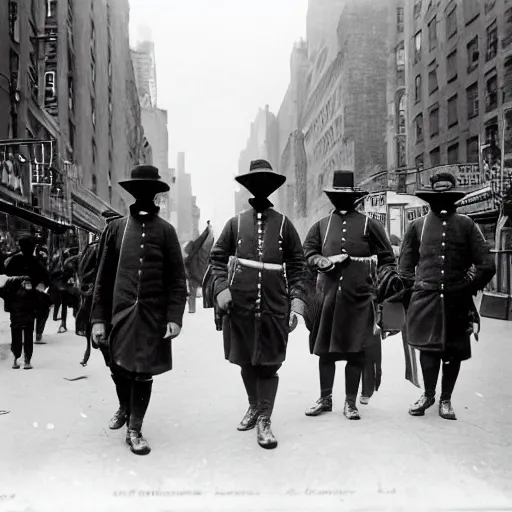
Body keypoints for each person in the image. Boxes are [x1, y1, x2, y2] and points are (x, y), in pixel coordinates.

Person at [207, 159, 306, 450]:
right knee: (246, 360)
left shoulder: (285, 224)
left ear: (271, 188)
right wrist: (221, 288)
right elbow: (216, 258)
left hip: (275, 304)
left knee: (270, 364)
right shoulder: (235, 224)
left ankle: (265, 418)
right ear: (249, 188)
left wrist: (296, 302)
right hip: (240, 306)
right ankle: (254, 405)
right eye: (255, 184)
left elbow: (298, 265)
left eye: (266, 184)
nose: (261, 189)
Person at [91, 165, 187, 455]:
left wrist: (174, 317)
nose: (145, 198)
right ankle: (124, 406)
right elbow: (103, 277)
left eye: (150, 192)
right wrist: (98, 319)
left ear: (156, 196)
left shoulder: (166, 231)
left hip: (151, 317)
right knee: (119, 367)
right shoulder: (116, 228)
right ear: (133, 195)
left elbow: (177, 279)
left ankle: (135, 428)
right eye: (139, 192)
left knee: (143, 372)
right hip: (118, 315)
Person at [399, 172, 495, 420]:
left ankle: (446, 400)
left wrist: (466, 286)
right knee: (428, 350)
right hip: (426, 300)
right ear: (429, 199)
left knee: (452, 352)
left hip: (457, 301)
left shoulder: (467, 225)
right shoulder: (417, 226)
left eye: (447, 196)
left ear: (454, 198)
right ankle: (428, 395)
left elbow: (487, 265)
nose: (442, 201)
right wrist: (414, 292)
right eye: (437, 197)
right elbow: (405, 267)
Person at [302, 170, 397, 420]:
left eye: (345, 196)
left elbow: (388, 258)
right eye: (336, 196)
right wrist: (319, 260)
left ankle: (350, 403)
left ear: (354, 198)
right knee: (325, 352)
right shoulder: (321, 226)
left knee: (356, 352)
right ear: (332, 198)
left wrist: (380, 283)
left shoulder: (369, 224)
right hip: (328, 299)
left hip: (359, 299)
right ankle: (324, 399)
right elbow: (307, 253)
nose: (340, 200)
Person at [77, 212, 123, 366]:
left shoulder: (128, 248)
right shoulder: (96, 248)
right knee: (105, 341)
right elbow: (84, 275)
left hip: (124, 302)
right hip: (104, 302)